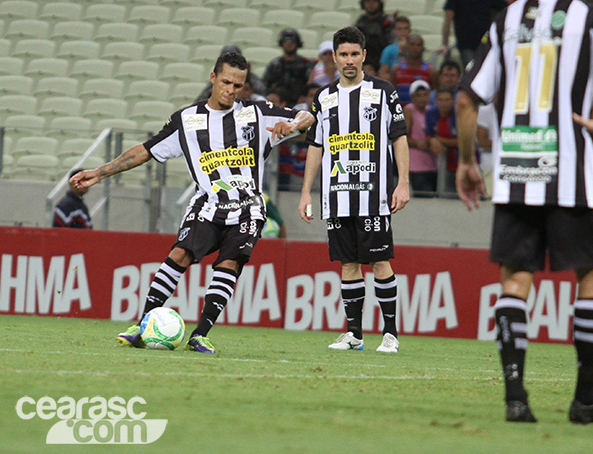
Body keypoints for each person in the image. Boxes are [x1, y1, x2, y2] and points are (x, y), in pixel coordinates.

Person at [455, 0, 593, 424]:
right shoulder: (587, 15)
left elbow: (466, 98)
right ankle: (585, 398)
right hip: (571, 172)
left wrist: (468, 162)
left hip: (516, 166)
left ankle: (516, 398)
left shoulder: (504, 19)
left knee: (516, 278)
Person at [72, 50, 314, 354]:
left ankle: (200, 334)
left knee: (228, 264)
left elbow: (307, 115)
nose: (231, 90)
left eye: (238, 86)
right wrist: (99, 172)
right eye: (226, 82)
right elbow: (145, 150)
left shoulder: (257, 113)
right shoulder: (187, 120)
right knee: (180, 254)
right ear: (213, 78)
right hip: (208, 204)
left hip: (248, 208)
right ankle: (142, 323)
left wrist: (293, 124)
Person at [298, 26, 410, 353]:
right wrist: (307, 193)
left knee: (379, 263)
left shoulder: (383, 91)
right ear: (334, 57)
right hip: (336, 197)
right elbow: (316, 146)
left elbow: (398, 137)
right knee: (347, 264)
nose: (349, 60)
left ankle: (390, 334)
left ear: (364, 55)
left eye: (354, 54)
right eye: (343, 55)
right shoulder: (323, 97)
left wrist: (402, 183)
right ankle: (355, 334)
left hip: (374, 196)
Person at [439, 0, 507, 66]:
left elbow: (505, 7)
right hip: (465, 45)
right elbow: (448, 19)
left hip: (486, 43)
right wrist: (445, 44)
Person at [404, 80, 438, 197]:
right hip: (416, 165)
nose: (422, 98)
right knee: (424, 196)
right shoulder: (409, 110)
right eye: (418, 95)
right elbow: (403, 136)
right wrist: (417, 144)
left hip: (433, 163)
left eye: (425, 95)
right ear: (413, 97)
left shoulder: (431, 111)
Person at [263, 29, 312, 107]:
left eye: (292, 42)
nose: (289, 45)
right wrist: (270, 95)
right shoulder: (274, 64)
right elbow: (265, 84)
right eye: (286, 42)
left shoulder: (305, 64)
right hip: (276, 103)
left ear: (297, 44)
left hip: (298, 103)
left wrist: (306, 96)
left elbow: (310, 85)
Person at [425, 87, 457, 194]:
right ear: (436, 101)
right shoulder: (430, 113)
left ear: (453, 100)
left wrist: (438, 140)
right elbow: (428, 135)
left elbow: (463, 141)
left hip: (460, 159)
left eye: (447, 100)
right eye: (441, 100)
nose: (444, 103)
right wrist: (432, 140)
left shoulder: (459, 113)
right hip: (440, 161)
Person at [354, 0, 395, 74]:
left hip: (385, 63)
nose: (371, 4)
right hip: (366, 64)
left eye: (374, 1)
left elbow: (390, 45)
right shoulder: (360, 23)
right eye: (368, 1)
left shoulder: (387, 22)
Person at [392, 34, 437, 104]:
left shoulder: (430, 71)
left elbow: (434, 95)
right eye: (412, 45)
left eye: (418, 45)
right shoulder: (396, 70)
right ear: (406, 47)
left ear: (423, 49)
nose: (415, 48)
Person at [378, 16, 411, 81]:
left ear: (410, 31)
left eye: (405, 29)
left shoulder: (415, 48)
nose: (403, 31)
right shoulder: (388, 50)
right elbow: (382, 73)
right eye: (399, 29)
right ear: (394, 31)